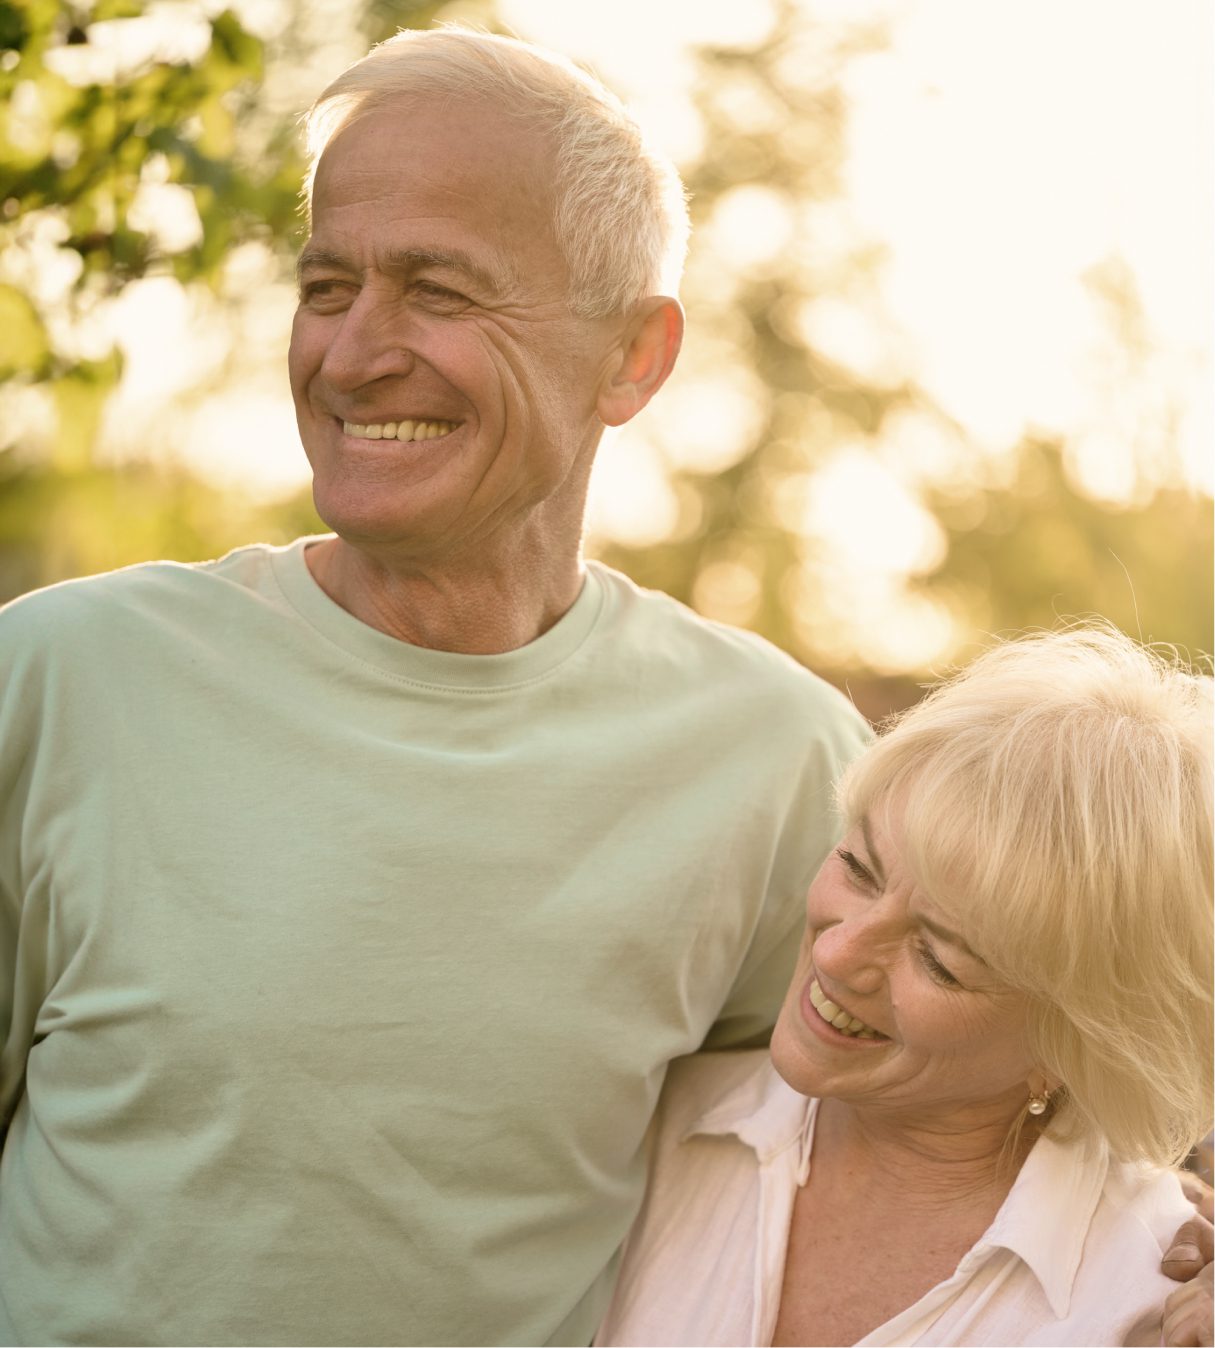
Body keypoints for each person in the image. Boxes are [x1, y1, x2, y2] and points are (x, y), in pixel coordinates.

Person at [0, 28, 872, 1347]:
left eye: (439, 293)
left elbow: (955, 1134)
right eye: (326, 286)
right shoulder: (60, 681)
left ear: (631, 357)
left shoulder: (775, 761)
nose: (352, 356)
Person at [597, 626, 1214, 1347]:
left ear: (1078, 1041)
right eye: (859, 869)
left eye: (939, 959)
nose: (837, 950)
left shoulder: (1149, 1300)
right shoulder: (637, 1127)